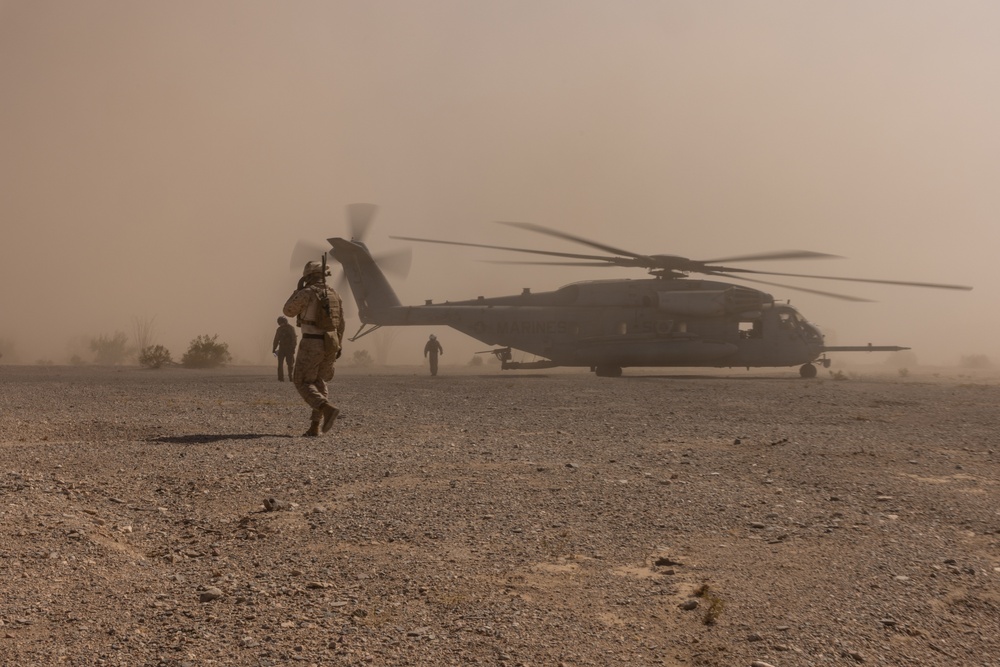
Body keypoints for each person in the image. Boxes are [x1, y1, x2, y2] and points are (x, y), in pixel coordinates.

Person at [283, 260, 345, 437]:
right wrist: (338, 344)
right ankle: (314, 426)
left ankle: (326, 408)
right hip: (331, 342)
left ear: (308, 276)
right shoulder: (335, 294)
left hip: (311, 341)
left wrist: (297, 290)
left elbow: (288, 311)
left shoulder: (307, 293)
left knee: (302, 381)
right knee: (318, 381)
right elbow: (341, 323)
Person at [272, 316, 297, 382]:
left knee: (290, 364)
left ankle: (290, 377)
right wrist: (274, 349)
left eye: (281, 323)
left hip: (288, 349)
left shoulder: (290, 328)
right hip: (283, 348)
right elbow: (276, 340)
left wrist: (293, 348)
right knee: (281, 364)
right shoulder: (280, 329)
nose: (281, 324)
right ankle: (281, 378)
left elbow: (294, 339)